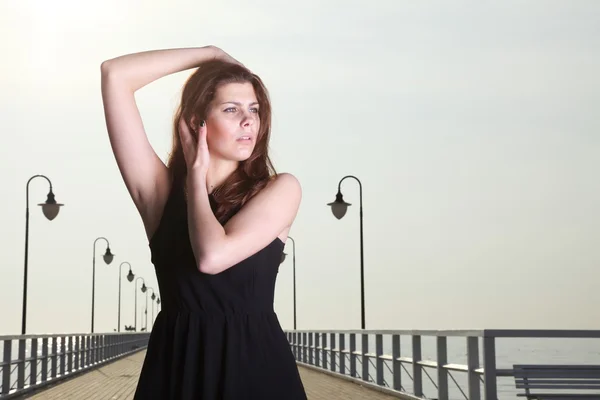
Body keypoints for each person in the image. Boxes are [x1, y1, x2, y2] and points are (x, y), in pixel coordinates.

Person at [100, 46, 307, 399]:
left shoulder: (281, 189)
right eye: (231, 109)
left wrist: (196, 177)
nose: (248, 121)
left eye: (254, 110)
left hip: (256, 372)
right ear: (197, 121)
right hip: (175, 371)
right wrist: (210, 54)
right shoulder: (160, 194)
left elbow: (212, 256)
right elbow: (114, 75)